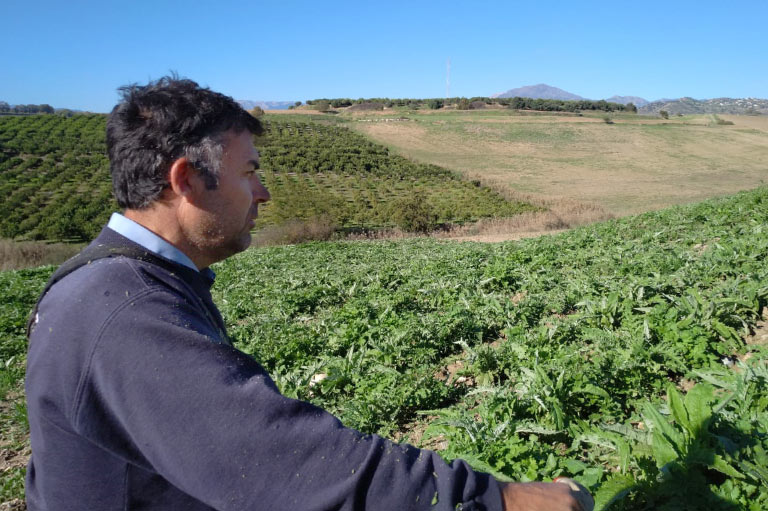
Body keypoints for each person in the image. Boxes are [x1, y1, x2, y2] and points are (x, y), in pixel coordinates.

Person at [25, 76, 589, 511]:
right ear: (188, 181)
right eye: (250, 172)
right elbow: (278, 461)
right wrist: (499, 499)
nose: (263, 192)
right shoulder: (121, 311)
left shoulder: (123, 283)